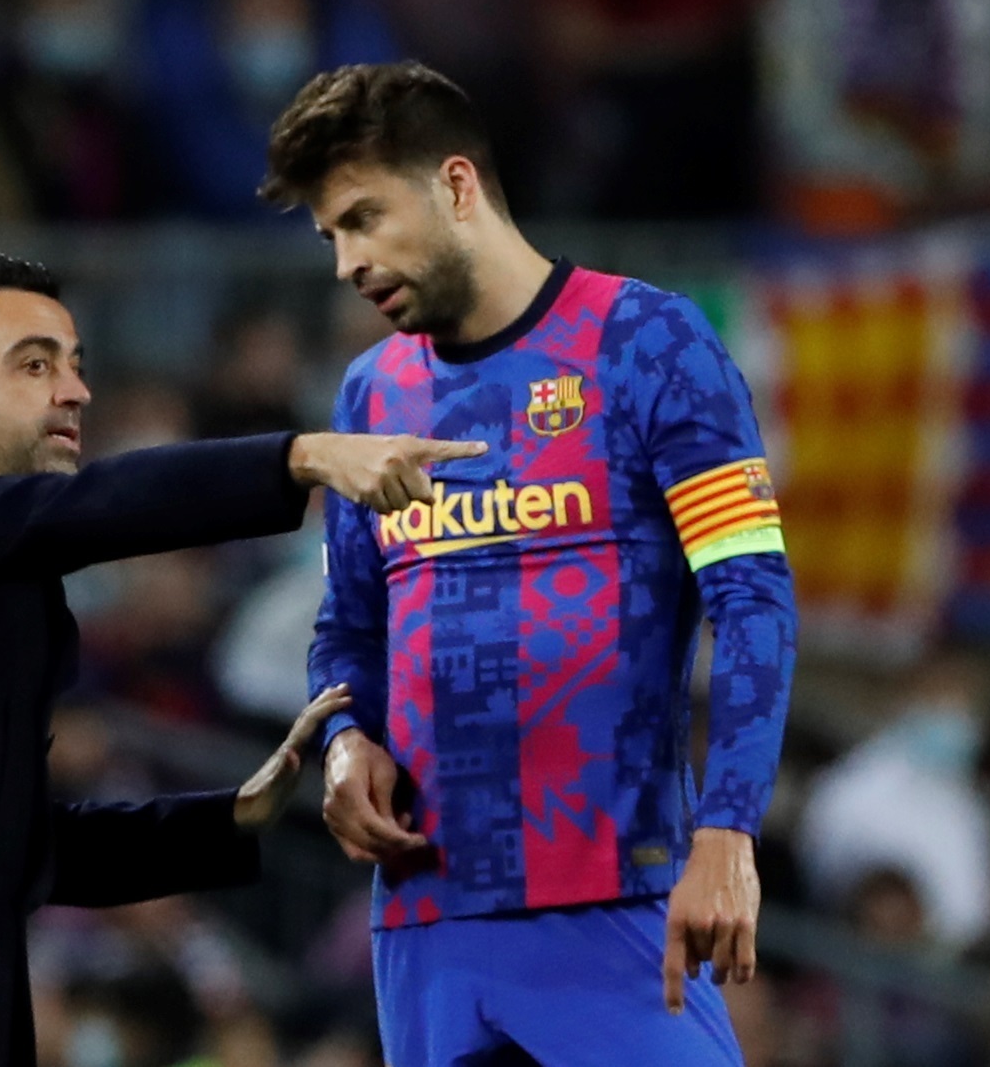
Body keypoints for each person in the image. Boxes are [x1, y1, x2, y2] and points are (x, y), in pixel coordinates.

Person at [0, 253, 485, 1067]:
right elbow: (81, 508)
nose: (75, 390)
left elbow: (20, 845)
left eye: (75, 364)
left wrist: (229, 817)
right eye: (35, 364)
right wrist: (297, 459)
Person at [261, 62, 798, 1065]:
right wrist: (343, 737)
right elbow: (348, 626)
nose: (347, 263)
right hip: (424, 919)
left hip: (615, 899)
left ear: (457, 184)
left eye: (364, 219)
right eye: (332, 235)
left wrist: (729, 830)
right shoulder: (369, 394)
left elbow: (751, 592)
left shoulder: (649, 342)